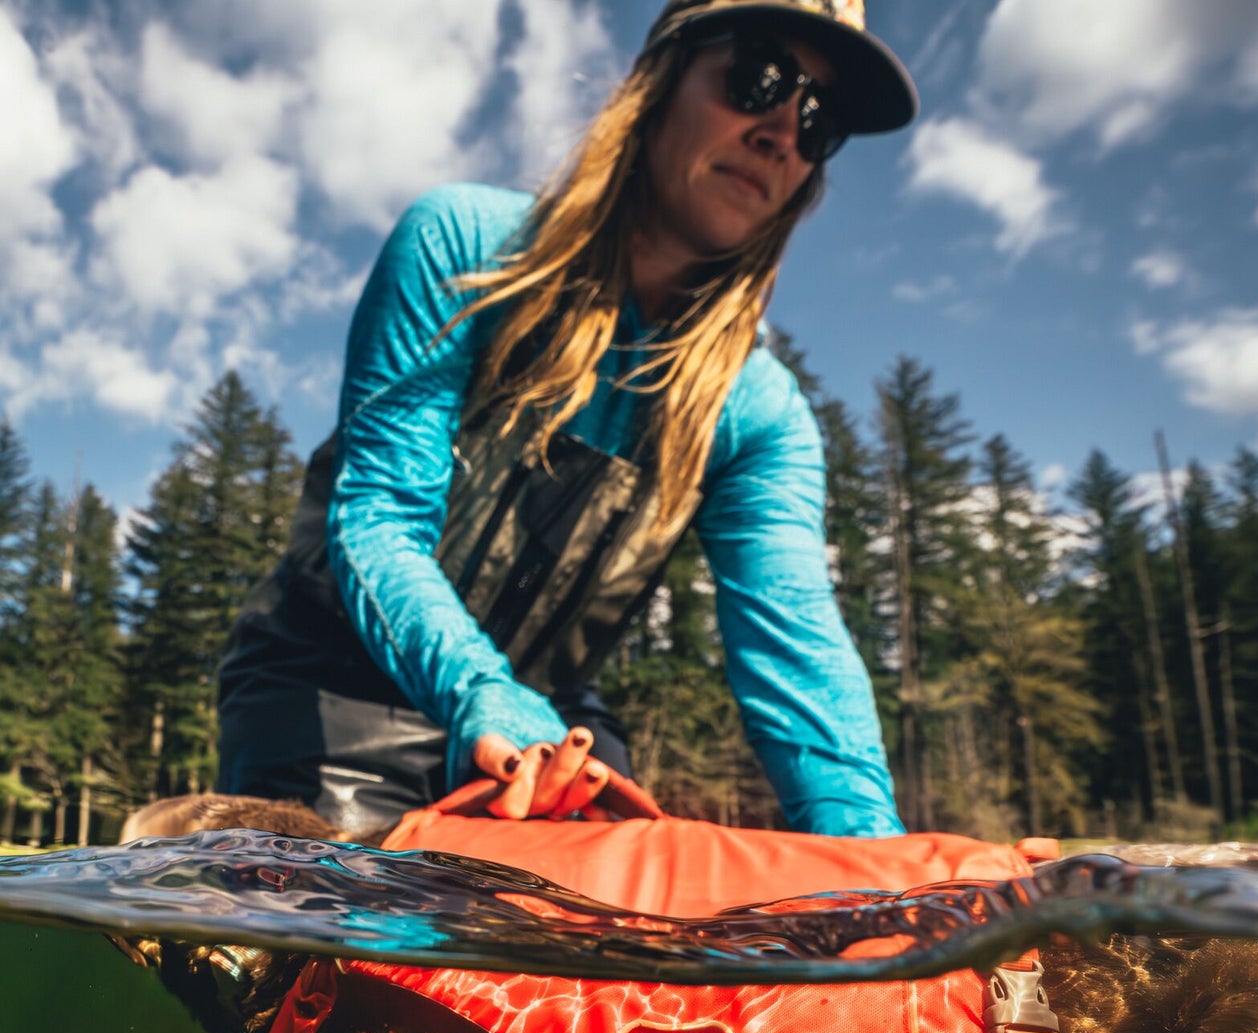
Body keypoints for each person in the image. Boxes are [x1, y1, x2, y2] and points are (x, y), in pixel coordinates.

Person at [217, 0, 917, 840]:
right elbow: (377, 522)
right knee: (317, 947)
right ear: (659, 81)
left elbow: (797, 655)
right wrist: (481, 690)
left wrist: (878, 872)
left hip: (554, 725)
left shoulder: (762, 415)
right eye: (759, 77)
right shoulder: (462, 247)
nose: (781, 132)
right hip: (331, 684)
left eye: (819, 119)